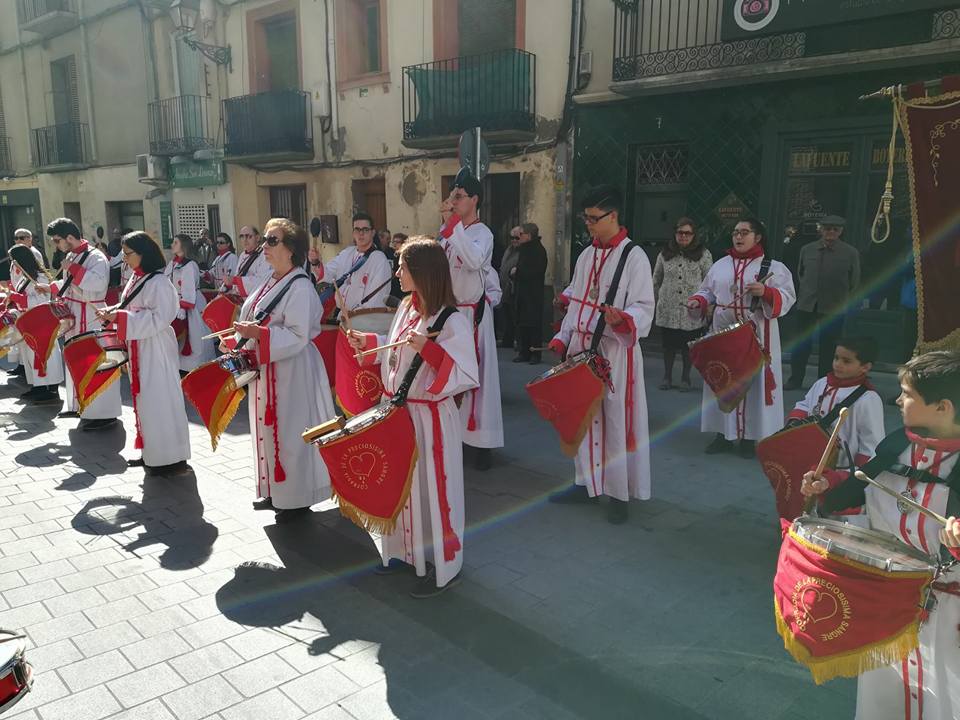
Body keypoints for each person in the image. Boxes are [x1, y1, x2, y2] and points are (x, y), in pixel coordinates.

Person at [801, 350, 960, 720]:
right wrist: (828, 482)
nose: (898, 399)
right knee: (883, 693)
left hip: (949, 615)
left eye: (907, 394)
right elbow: (865, 483)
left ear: (943, 407)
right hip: (890, 600)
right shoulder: (896, 445)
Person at [347, 237, 479, 597]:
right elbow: (396, 351)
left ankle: (442, 567)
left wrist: (431, 351)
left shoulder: (452, 319)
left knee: (432, 492)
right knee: (402, 489)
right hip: (400, 414)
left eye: (402, 266)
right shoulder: (407, 306)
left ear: (421, 272)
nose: (397, 272)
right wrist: (369, 342)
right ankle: (403, 554)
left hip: (430, 419)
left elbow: (467, 374)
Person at [547, 185, 655, 524]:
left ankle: (619, 493)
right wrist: (562, 338)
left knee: (614, 420)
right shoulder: (585, 256)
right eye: (586, 219)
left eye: (595, 219)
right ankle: (585, 482)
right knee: (583, 417)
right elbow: (577, 302)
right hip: (582, 349)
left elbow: (643, 306)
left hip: (613, 351)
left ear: (614, 216)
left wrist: (623, 318)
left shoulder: (633, 255)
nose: (589, 225)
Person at [229, 218, 335, 524]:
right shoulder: (270, 280)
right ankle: (276, 491)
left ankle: (296, 499)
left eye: (271, 241)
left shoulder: (299, 286)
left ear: (290, 249)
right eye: (264, 239)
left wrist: (258, 335)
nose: (264, 246)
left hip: (292, 370)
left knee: (291, 432)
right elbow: (254, 317)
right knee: (268, 428)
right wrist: (237, 339)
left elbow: (299, 335)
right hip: (268, 367)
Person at [688, 217, 796, 458]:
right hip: (722, 336)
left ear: (757, 237)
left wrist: (766, 292)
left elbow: (788, 297)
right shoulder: (720, 265)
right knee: (723, 381)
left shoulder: (774, 267)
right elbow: (707, 290)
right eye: (736, 232)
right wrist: (700, 300)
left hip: (757, 335)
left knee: (754, 385)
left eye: (744, 232)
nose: (738, 236)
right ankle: (723, 435)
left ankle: (749, 438)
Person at [96, 232, 190, 476]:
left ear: (143, 254)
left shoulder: (159, 282)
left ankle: (170, 457)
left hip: (155, 346)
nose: (124, 259)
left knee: (160, 399)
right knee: (145, 400)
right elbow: (130, 306)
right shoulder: (137, 278)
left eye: (128, 254)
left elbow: (162, 317)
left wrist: (121, 317)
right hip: (139, 345)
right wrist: (114, 311)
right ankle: (151, 453)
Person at [438, 170, 504, 470]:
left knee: (480, 377)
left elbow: (475, 261)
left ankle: (482, 442)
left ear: (474, 199)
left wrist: (452, 229)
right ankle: (456, 436)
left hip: (473, 313)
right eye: (452, 196)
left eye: (459, 196)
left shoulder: (482, 233)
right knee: (453, 375)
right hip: (451, 312)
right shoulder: (450, 233)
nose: (454, 201)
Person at [46, 218, 121, 429]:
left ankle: (104, 413)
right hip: (75, 314)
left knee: (96, 363)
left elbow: (98, 284)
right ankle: (81, 406)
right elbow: (70, 284)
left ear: (70, 237)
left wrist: (74, 269)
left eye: (58, 240)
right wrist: (54, 286)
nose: (56, 245)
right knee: (75, 360)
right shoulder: (71, 255)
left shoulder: (97, 257)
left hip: (92, 315)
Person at [785, 336, 885, 475]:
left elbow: (872, 441)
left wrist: (859, 474)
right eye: (836, 358)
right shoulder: (821, 383)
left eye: (846, 361)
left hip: (841, 469)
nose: (838, 364)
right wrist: (795, 425)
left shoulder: (868, 398)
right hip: (808, 459)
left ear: (865, 367)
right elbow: (804, 405)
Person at [787, 215, 861, 390]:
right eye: (827, 229)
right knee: (802, 344)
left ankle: (825, 382)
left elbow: (854, 281)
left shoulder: (850, 253)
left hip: (834, 306)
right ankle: (795, 379)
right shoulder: (807, 249)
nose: (831, 232)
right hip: (807, 303)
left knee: (829, 347)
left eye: (835, 229)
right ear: (820, 229)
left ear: (841, 232)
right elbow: (801, 273)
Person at [652, 217, 712, 391]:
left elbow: (710, 280)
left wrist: (707, 305)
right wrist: (654, 301)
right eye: (680, 233)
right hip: (668, 307)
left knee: (688, 347)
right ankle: (667, 376)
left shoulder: (704, 254)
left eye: (687, 233)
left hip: (691, 308)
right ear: (675, 234)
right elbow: (656, 278)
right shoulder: (665, 253)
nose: (683, 236)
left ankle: (686, 378)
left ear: (694, 235)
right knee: (668, 345)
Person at [9, 244, 63, 404]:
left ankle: (50, 389)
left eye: (14, 260)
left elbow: (43, 301)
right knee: (29, 354)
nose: (12, 263)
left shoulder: (40, 277)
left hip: (42, 323)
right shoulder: (24, 278)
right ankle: (38, 386)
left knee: (45, 354)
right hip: (28, 322)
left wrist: (21, 299)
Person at [308, 211, 392, 313]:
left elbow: (377, 299)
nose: (361, 233)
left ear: (373, 232)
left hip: (365, 319)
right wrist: (316, 261)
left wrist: (358, 317)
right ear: (353, 233)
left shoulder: (379, 260)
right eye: (357, 229)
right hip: (343, 316)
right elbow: (328, 274)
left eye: (365, 229)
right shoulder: (346, 253)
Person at [164, 234, 214, 374]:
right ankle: (183, 366)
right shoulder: (172, 264)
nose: (172, 245)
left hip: (191, 304)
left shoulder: (190, 264)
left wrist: (184, 306)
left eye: (175, 242)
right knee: (181, 336)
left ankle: (199, 366)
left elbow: (189, 287)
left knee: (196, 335)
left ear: (183, 245)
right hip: (177, 303)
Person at [5, 229, 43, 380]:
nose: (18, 240)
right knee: (26, 350)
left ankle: (45, 387)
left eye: (22, 237)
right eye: (16, 238)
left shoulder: (38, 277)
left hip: (38, 319)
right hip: (26, 317)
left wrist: (18, 298)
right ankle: (33, 381)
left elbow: (40, 300)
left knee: (37, 353)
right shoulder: (23, 273)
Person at [512, 222, 548, 365]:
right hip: (522, 292)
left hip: (533, 294)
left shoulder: (538, 251)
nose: (518, 237)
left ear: (528, 235)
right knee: (522, 324)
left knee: (533, 324)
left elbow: (536, 272)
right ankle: (524, 351)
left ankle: (535, 353)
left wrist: (518, 272)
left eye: (521, 234)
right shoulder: (524, 249)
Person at [228, 226, 271, 299]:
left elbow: (262, 280)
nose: (245, 240)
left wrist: (235, 280)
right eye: (242, 236)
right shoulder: (242, 255)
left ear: (257, 238)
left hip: (257, 299)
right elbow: (238, 275)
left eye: (248, 236)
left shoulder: (264, 254)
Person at [497, 228, 521, 350]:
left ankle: (517, 341)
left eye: (517, 238)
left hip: (515, 288)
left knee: (515, 315)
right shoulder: (509, 250)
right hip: (505, 287)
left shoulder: (522, 251)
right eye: (512, 238)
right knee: (507, 314)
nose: (514, 240)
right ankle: (508, 339)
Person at [387, 232, 408, 302]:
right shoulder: (392, 253)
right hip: (394, 281)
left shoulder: (405, 256)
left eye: (397, 242)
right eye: (393, 242)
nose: (395, 244)